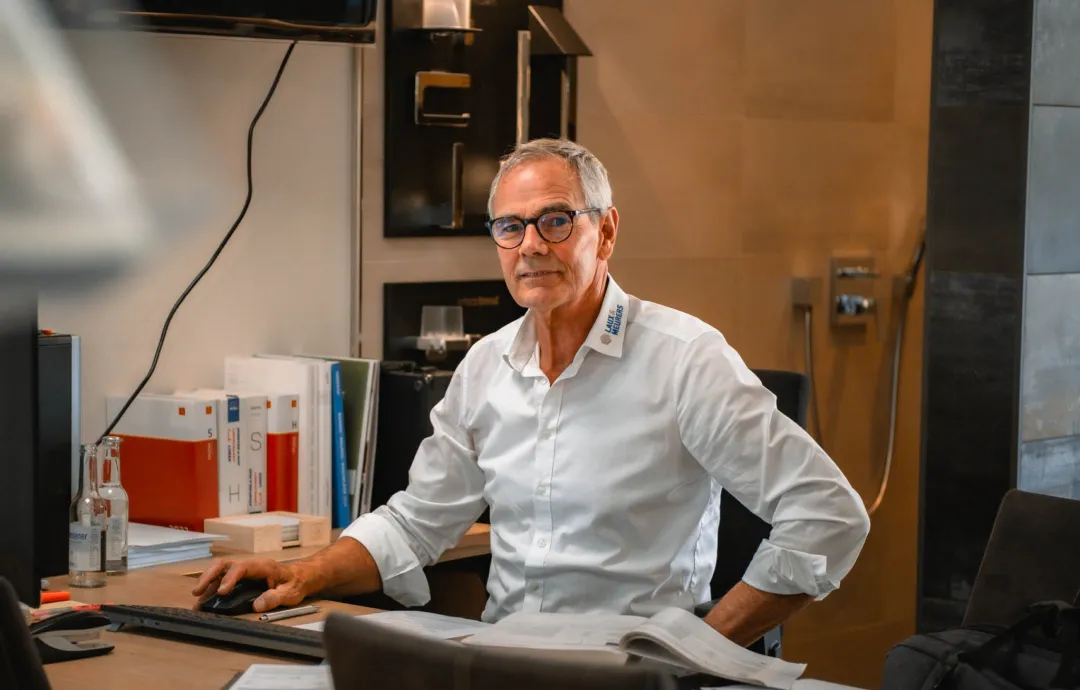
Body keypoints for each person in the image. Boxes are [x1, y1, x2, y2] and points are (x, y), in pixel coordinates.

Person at [193, 138, 870, 647]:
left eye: (555, 220)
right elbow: (416, 522)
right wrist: (304, 576)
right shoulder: (486, 367)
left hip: (631, 672)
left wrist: (699, 654)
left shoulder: (686, 360)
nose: (529, 246)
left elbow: (829, 516)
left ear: (605, 231)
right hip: (501, 663)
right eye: (510, 227)